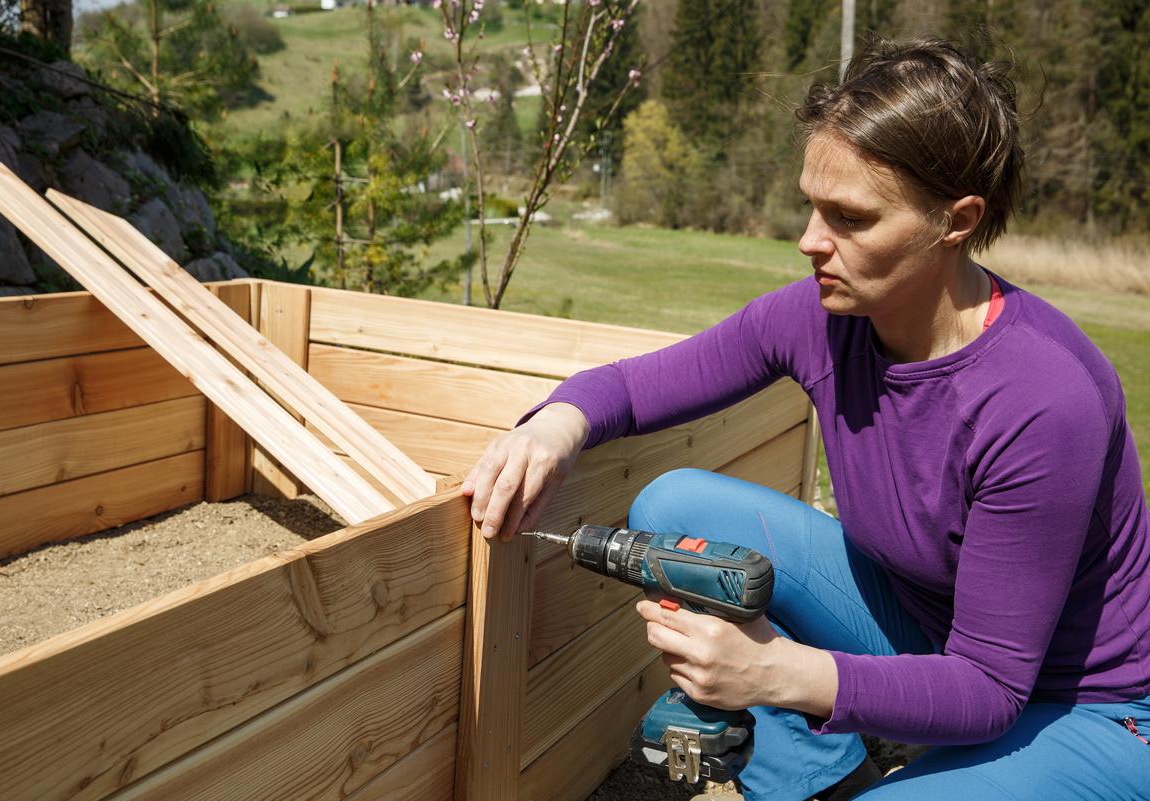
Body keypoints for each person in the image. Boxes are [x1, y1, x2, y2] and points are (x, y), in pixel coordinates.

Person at [461, 36, 1150, 801]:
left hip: (1081, 711)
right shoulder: (823, 318)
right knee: (675, 508)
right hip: (933, 640)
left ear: (956, 221)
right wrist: (552, 426)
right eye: (812, 205)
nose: (810, 241)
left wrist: (773, 673)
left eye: (850, 218)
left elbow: (991, 688)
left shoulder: (1043, 400)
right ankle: (822, 779)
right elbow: (632, 387)